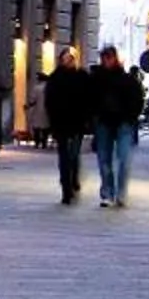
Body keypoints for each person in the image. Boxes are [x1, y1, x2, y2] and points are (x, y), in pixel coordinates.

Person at [90, 45, 144, 207]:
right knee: (104, 160)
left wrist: (131, 117)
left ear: (115, 59)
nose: (107, 61)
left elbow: (138, 99)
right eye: (104, 58)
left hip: (124, 123)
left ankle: (121, 193)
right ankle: (107, 193)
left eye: (109, 57)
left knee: (124, 160)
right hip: (103, 122)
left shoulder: (127, 79)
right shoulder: (96, 79)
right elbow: (88, 99)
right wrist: (93, 117)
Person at [43, 45, 94, 205]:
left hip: (77, 123)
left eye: (70, 59)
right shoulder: (55, 78)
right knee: (64, 156)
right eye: (65, 59)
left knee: (73, 154)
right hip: (60, 123)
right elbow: (49, 101)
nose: (68, 61)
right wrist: (51, 121)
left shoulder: (82, 76)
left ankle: (73, 179)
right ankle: (66, 188)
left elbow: (89, 99)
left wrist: (87, 119)